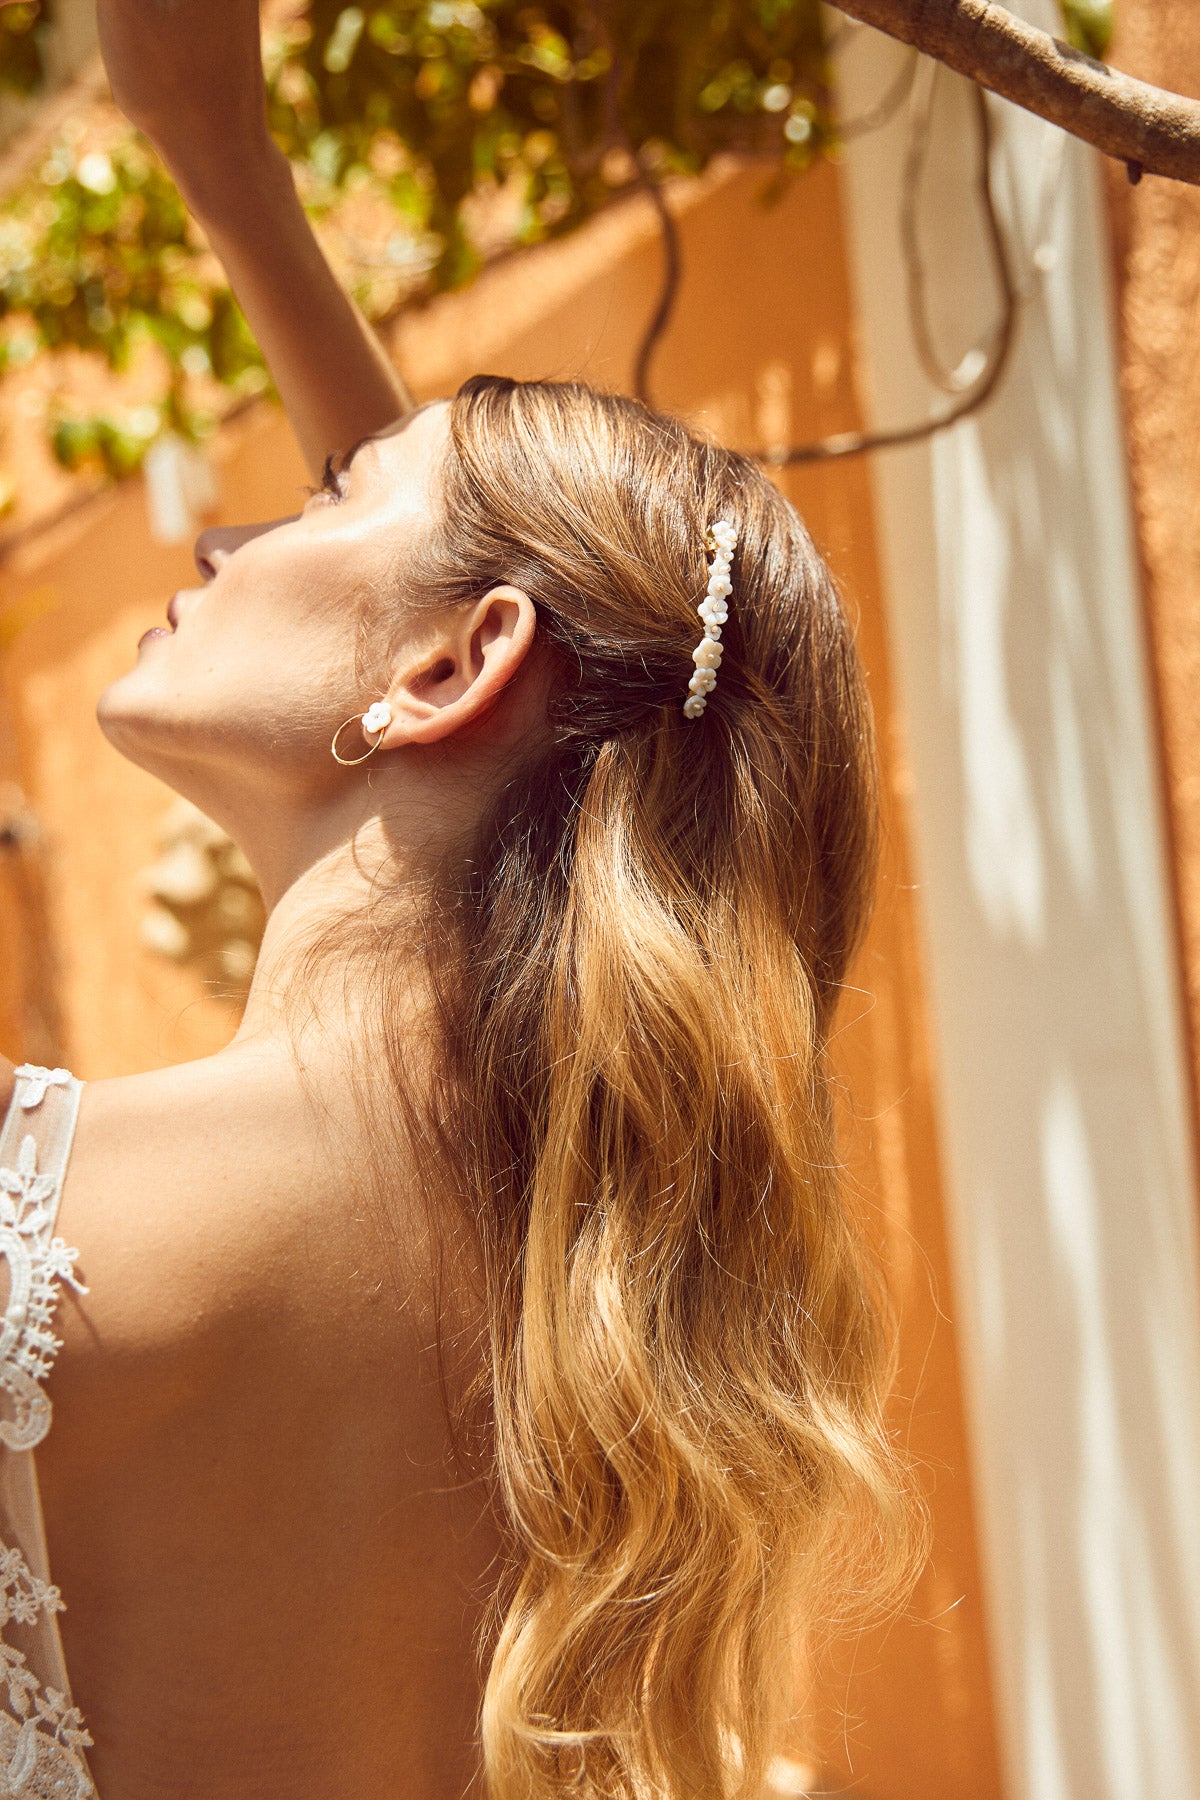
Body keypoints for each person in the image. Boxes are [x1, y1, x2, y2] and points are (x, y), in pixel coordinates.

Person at [0, 2, 920, 1795]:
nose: (219, 538)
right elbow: (518, 661)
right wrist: (227, 169)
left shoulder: (60, 1231)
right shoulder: (592, 1315)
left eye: (326, 489)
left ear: (451, 671)